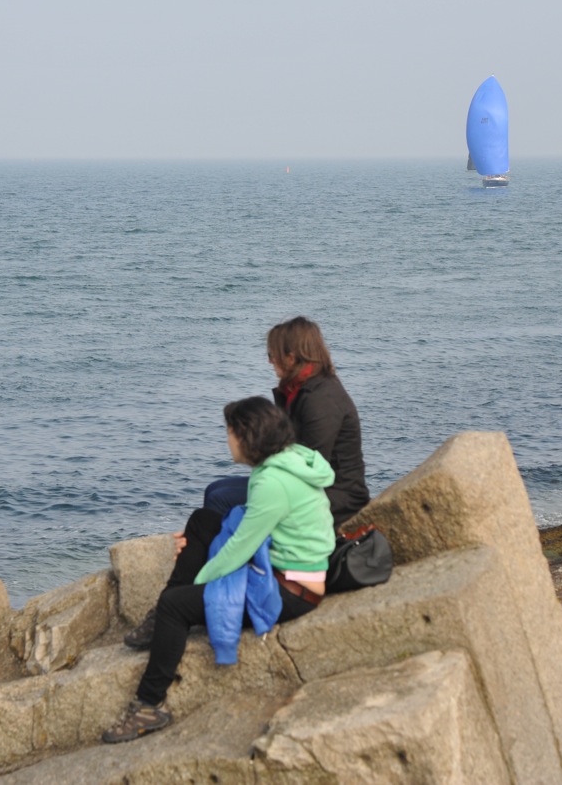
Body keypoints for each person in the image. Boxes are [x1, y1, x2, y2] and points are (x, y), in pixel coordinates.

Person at [102, 396, 335, 743]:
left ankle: (149, 706)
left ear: (247, 437)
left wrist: (195, 586)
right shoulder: (291, 459)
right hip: (286, 568)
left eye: (229, 432)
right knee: (203, 520)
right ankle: (159, 622)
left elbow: (240, 550)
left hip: (291, 591)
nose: (226, 438)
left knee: (174, 606)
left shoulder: (271, 483)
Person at [204, 316, 370, 529]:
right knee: (215, 489)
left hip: (335, 497)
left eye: (272, 355)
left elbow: (310, 465)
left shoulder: (321, 399)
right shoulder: (300, 391)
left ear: (291, 358)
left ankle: (236, 548)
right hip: (307, 484)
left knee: (220, 498)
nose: (270, 361)